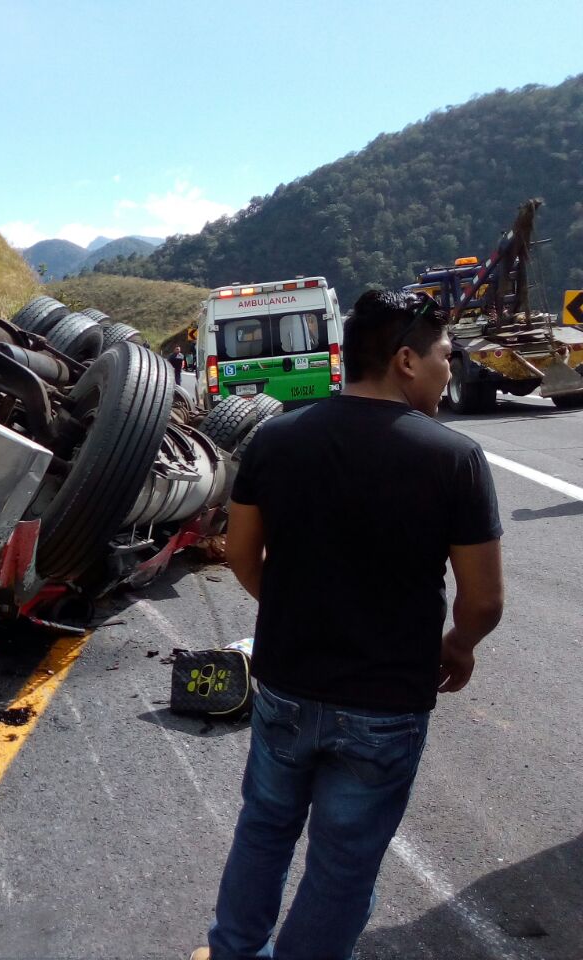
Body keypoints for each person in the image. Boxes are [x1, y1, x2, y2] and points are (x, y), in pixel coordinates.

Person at [191, 290, 504, 960]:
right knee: (343, 863)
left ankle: (234, 951)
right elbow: (483, 601)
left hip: (284, 686)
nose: (451, 370)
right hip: (384, 704)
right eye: (445, 356)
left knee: (265, 829)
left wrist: (293, 607)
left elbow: (241, 554)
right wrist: (460, 646)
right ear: (405, 361)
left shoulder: (276, 438)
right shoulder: (453, 458)